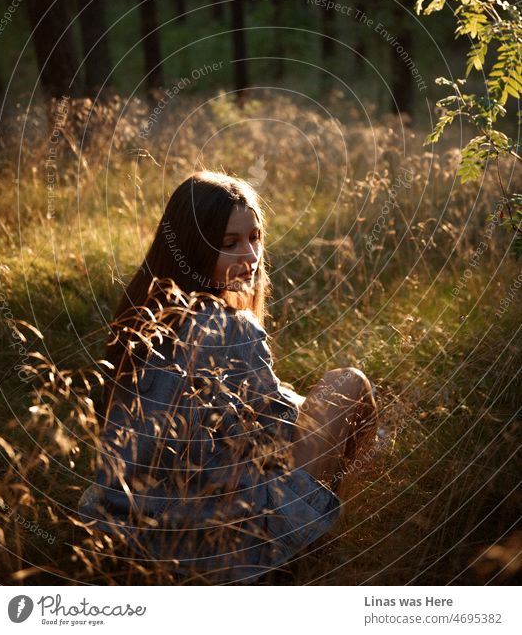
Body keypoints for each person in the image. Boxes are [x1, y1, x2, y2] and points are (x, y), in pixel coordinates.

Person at [77, 170, 378, 584]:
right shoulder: (229, 327)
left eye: (254, 238)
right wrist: (332, 422)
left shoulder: (142, 314)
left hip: (123, 532)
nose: (250, 258)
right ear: (194, 248)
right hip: (213, 546)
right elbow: (277, 431)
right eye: (229, 244)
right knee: (348, 384)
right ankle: (311, 543)